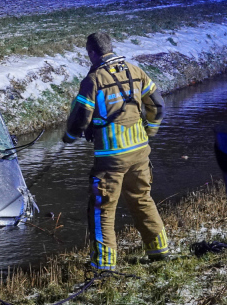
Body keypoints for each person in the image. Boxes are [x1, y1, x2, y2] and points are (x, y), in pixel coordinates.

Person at [63, 32, 169, 271]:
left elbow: (81, 118)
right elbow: (158, 105)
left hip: (111, 158)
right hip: (140, 152)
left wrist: (69, 137)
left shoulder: (94, 80)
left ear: (92, 53)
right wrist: (149, 131)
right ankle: (159, 251)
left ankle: (104, 265)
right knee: (142, 199)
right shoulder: (135, 71)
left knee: (102, 210)